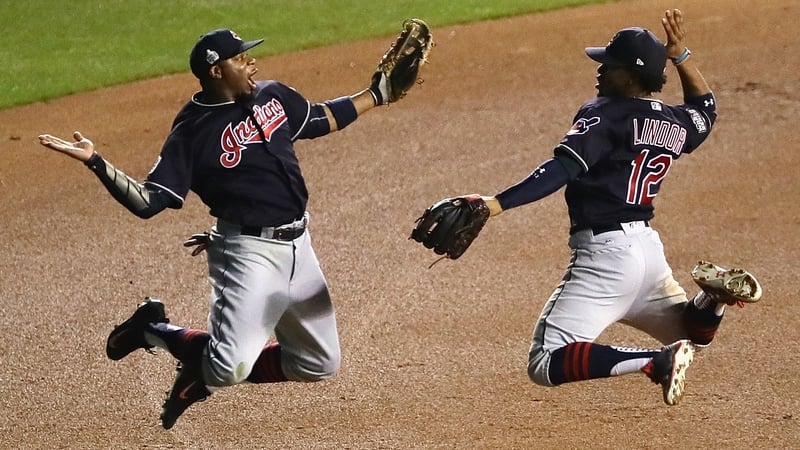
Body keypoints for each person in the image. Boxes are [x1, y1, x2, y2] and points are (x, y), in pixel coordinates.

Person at [38, 28, 415, 429]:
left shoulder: (272, 94)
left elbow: (320, 118)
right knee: (226, 369)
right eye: (241, 58)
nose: (252, 62)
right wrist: (96, 161)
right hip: (248, 253)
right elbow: (149, 202)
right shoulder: (193, 131)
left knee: (320, 362)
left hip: (300, 247)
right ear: (217, 70)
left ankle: (200, 363)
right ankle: (152, 327)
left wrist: (377, 95)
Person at [462, 9, 762, 405]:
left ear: (632, 76)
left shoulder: (604, 114)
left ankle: (654, 362)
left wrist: (496, 203)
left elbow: (562, 169)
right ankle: (711, 300)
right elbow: (705, 109)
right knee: (691, 335)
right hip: (648, 255)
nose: (601, 71)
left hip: (606, 259)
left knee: (545, 361)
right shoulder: (674, 122)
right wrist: (681, 55)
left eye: (612, 65)